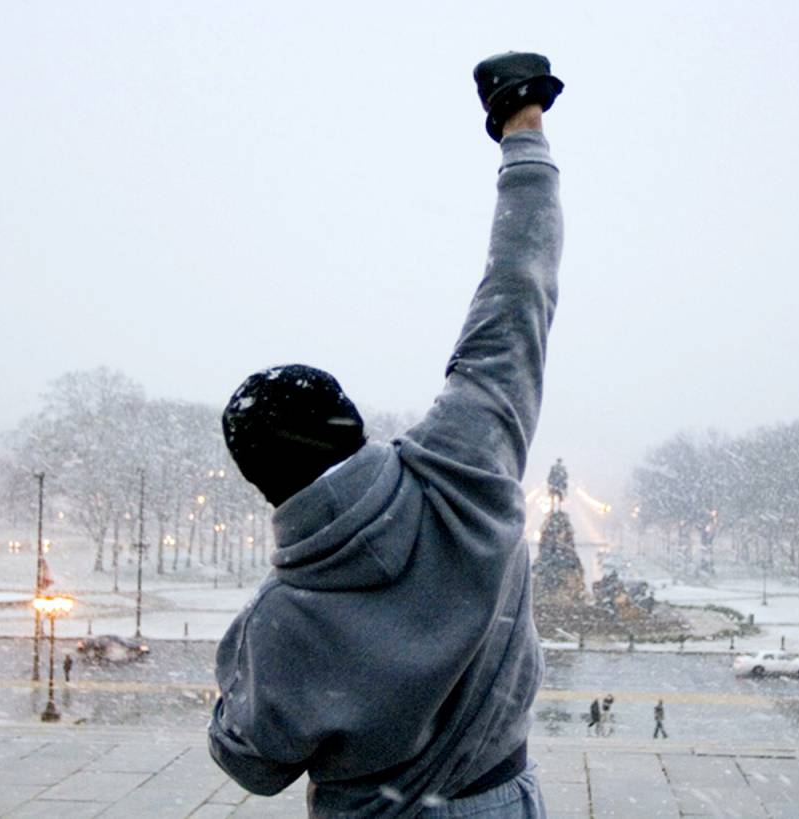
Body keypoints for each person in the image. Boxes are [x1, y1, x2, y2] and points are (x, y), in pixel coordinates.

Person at [208, 51, 564, 818]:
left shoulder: (283, 621)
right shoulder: (464, 463)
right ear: (353, 420)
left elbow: (251, 761)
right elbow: (518, 287)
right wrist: (522, 129)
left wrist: (240, 659)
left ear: (262, 481)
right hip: (499, 797)